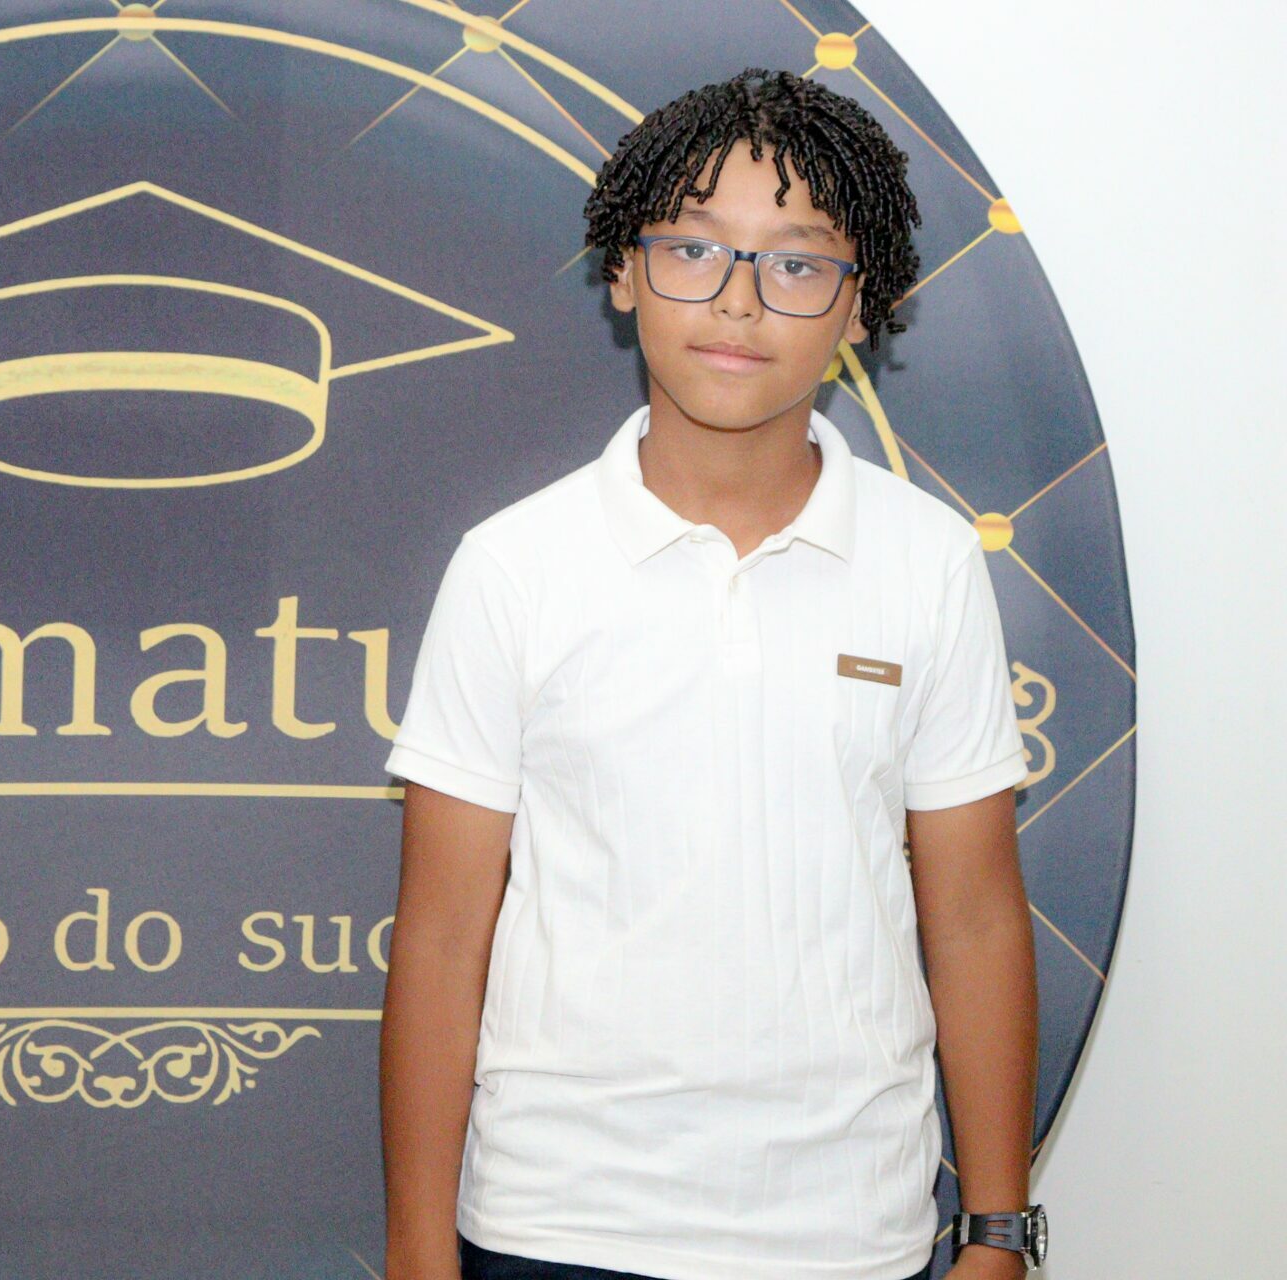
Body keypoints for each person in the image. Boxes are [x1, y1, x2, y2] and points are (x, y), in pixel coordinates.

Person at [377, 68, 1045, 1280]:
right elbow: (439, 935)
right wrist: (421, 1250)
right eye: (693, 248)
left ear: (860, 307)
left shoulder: (930, 560)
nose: (738, 302)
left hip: (849, 1230)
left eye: (796, 263)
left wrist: (998, 1228)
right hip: (555, 1224)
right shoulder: (514, 565)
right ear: (623, 273)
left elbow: (977, 916)